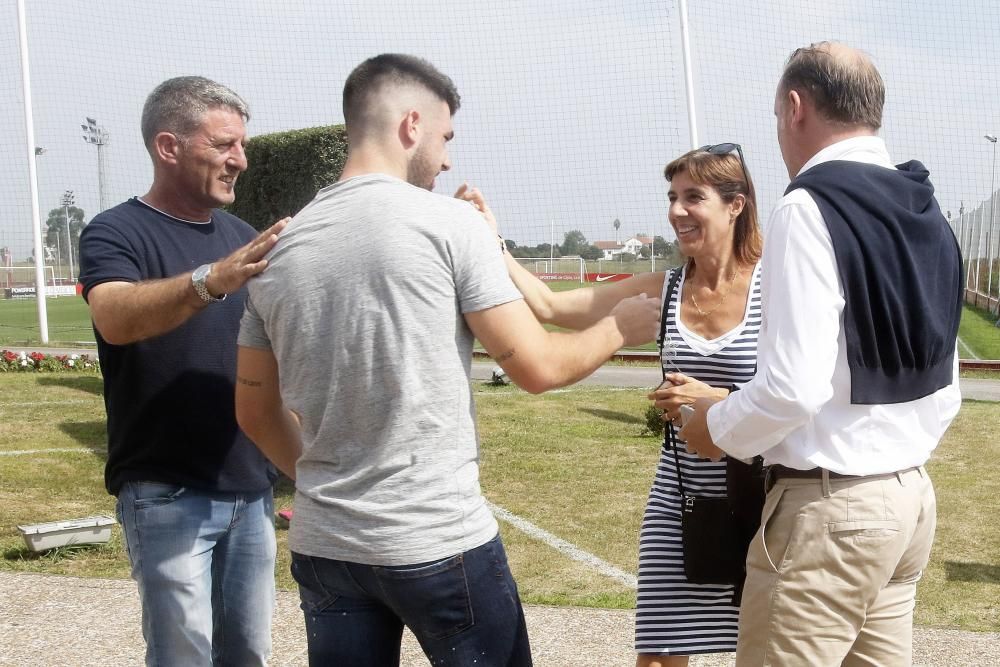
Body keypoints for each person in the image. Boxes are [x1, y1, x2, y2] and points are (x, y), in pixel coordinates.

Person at [232, 53, 659, 667]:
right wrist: (620, 326)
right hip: (437, 540)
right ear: (412, 125)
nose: (448, 158)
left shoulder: (277, 246)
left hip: (327, 545)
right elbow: (535, 366)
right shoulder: (450, 223)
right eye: (445, 136)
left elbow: (253, 411)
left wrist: (334, 487)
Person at [681, 42, 963, 666]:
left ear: (795, 105)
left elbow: (793, 388)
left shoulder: (808, 206)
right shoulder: (924, 204)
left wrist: (715, 424)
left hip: (832, 512)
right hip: (909, 499)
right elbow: (946, 381)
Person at [485, 145, 762, 666]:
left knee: (772, 649)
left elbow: (803, 390)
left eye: (693, 197)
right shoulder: (666, 287)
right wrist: (493, 245)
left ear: (736, 205)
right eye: (673, 197)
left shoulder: (779, 285)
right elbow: (552, 307)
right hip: (678, 498)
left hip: (763, 498)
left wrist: (716, 400)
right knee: (658, 655)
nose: (677, 211)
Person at [77, 76, 288, 667]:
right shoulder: (116, 231)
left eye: (242, 145)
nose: (240, 160)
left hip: (249, 489)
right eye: (224, 145)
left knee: (247, 653)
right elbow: (115, 316)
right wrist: (208, 281)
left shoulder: (242, 238)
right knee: (183, 656)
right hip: (166, 489)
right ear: (169, 147)